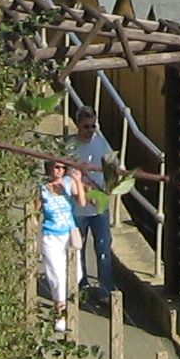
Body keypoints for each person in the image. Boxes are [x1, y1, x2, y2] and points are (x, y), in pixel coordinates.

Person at [64, 113, 119, 300]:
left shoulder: (100, 143)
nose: (90, 131)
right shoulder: (70, 146)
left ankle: (106, 291)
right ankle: (81, 287)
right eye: (86, 126)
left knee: (104, 248)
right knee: (78, 248)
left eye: (93, 126)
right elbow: (68, 176)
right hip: (79, 208)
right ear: (78, 125)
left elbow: (113, 163)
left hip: (99, 207)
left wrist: (109, 185)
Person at [38, 160, 82, 325]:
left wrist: (77, 179)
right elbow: (35, 210)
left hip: (69, 235)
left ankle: (68, 306)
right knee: (56, 275)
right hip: (51, 236)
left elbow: (81, 201)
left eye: (63, 167)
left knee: (76, 274)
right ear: (49, 168)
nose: (60, 170)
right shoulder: (43, 188)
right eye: (57, 167)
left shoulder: (68, 184)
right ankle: (61, 314)